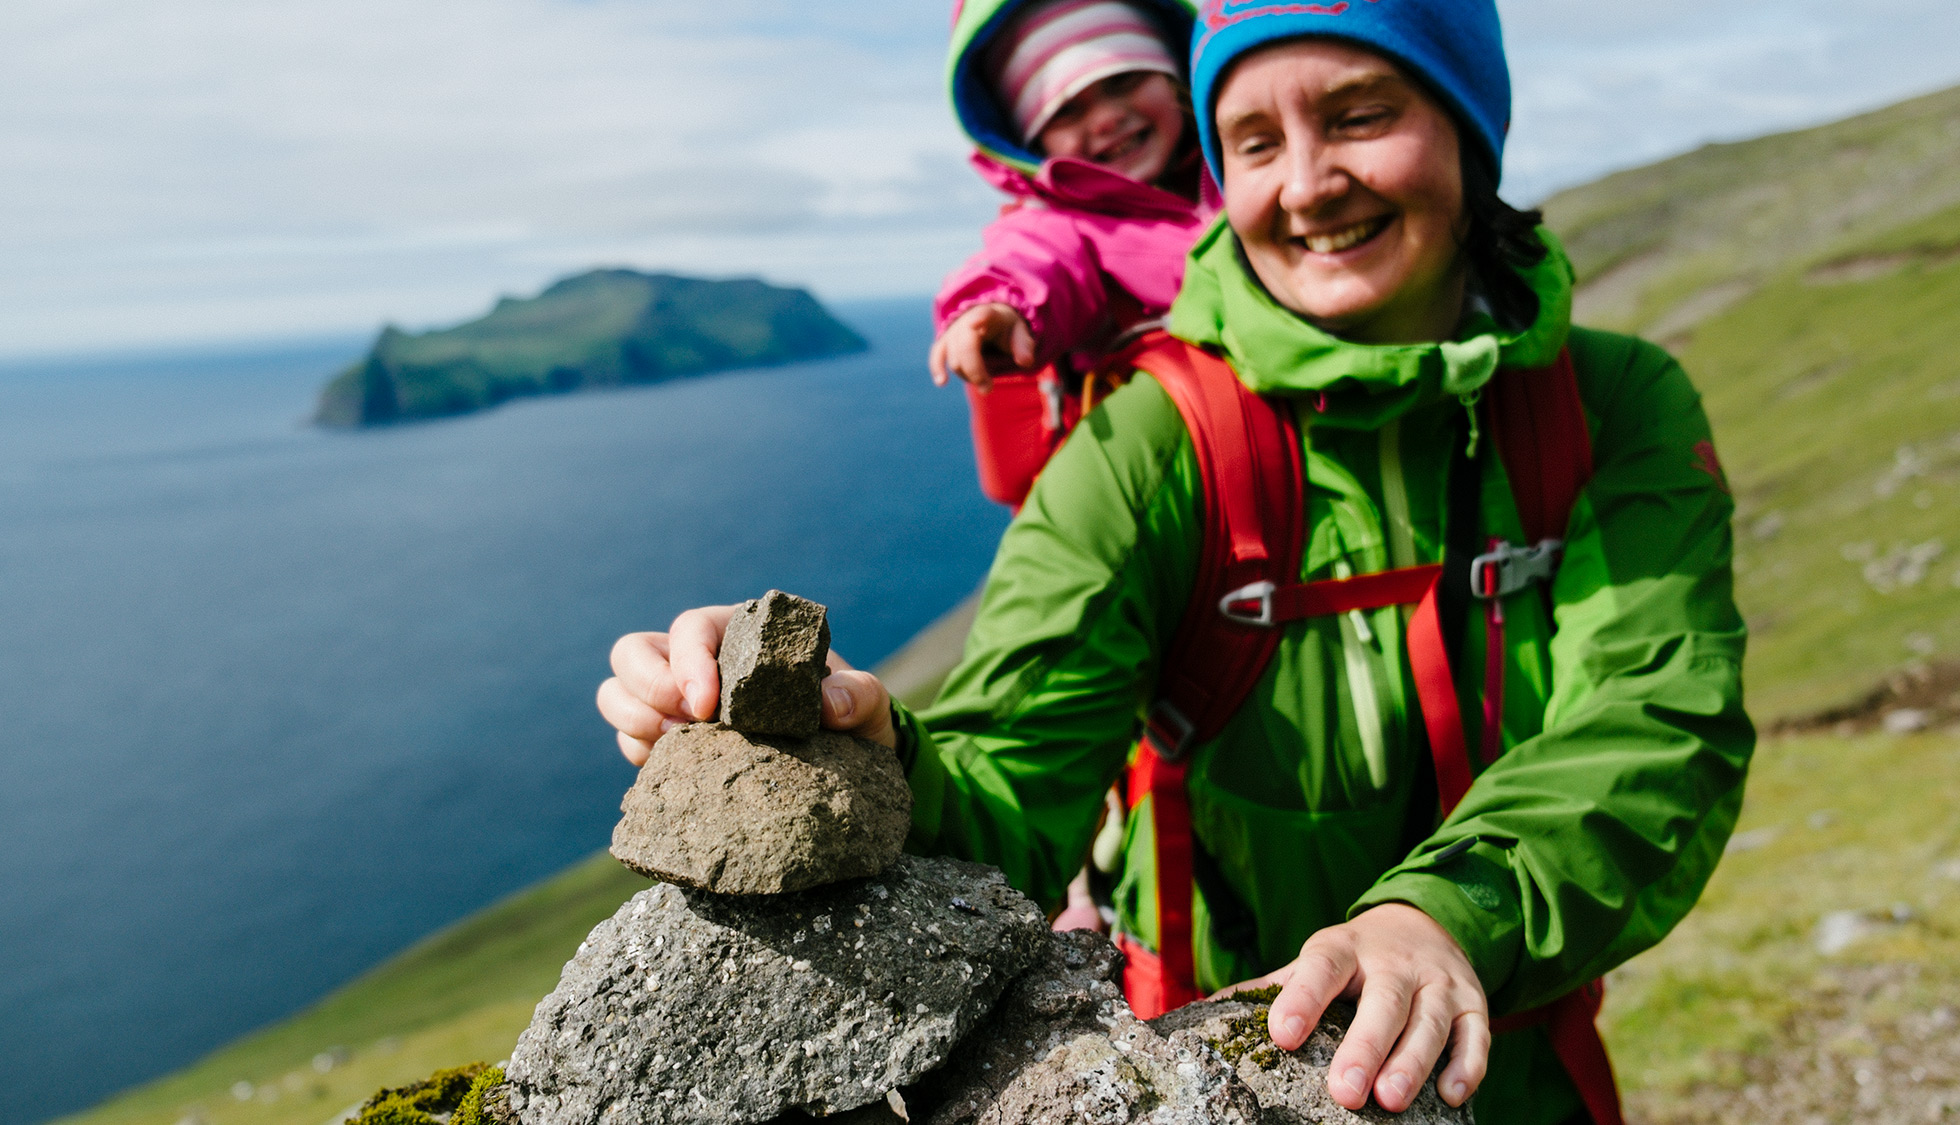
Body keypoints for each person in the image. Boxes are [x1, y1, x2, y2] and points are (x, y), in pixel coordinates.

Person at [598, 1, 1754, 1122]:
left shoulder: (1610, 403)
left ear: (1464, 121)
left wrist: (1447, 915)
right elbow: (1007, 797)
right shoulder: (1145, 447)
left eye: (1358, 115)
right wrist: (855, 740)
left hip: (1518, 1085)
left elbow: (1655, 723)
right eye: (1253, 141)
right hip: (1221, 1082)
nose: (1306, 184)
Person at [927, 0, 1215, 391]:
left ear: (1177, 73)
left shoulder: (1243, 156)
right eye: (1065, 111)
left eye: (1123, 80)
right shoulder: (1059, 225)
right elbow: (1028, 261)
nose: (1107, 119)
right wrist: (998, 306)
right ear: (1032, 143)